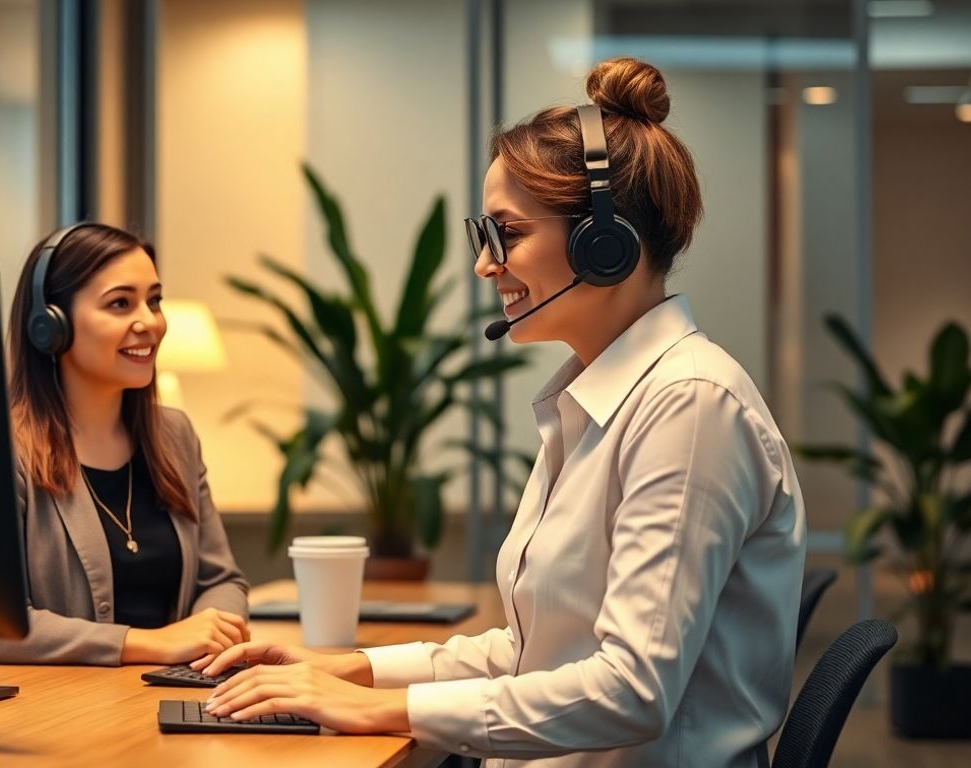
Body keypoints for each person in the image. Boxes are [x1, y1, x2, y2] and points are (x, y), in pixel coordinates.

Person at [194, 58, 806, 767]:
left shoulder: (690, 407)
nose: (486, 266)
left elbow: (632, 689)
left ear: (602, 246)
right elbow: (535, 649)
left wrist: (379, 710)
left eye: (506, 235)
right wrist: (351, 670)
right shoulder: (596, 400)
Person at [0, 223, 250, 666]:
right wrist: (152, 643)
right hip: (61, 716)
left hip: (167, 696)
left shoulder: (175, 436)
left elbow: (221, 579)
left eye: (154, 300)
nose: (149, 322)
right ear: (50, 325)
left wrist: (213, 636)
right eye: (120, 303)